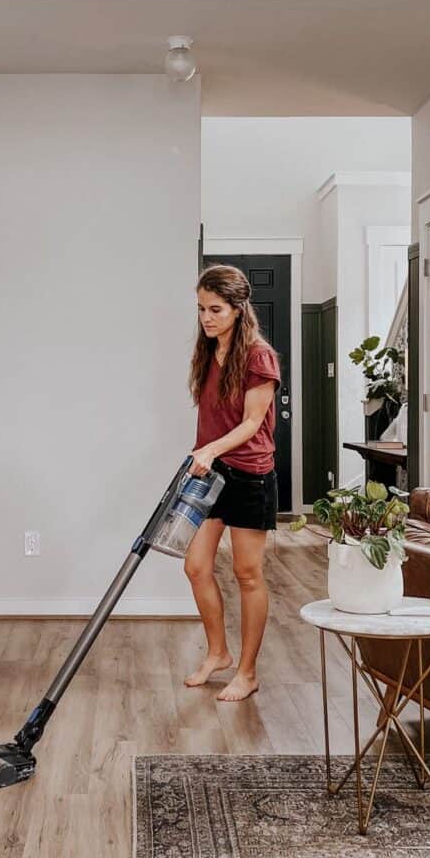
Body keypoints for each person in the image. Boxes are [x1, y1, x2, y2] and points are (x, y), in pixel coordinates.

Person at [183, 264, 281, 702]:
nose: (207, 318)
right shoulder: (208, 353)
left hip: (250, 475)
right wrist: (204, 454)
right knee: (196, 566)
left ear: (239, 309)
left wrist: (210, 450)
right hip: (213, 473)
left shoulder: (258, 356)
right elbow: (214, 417)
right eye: (202, 309)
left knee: (247, 573)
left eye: (216, 309)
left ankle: (248, 671)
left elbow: (252, 423)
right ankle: (218, 653)